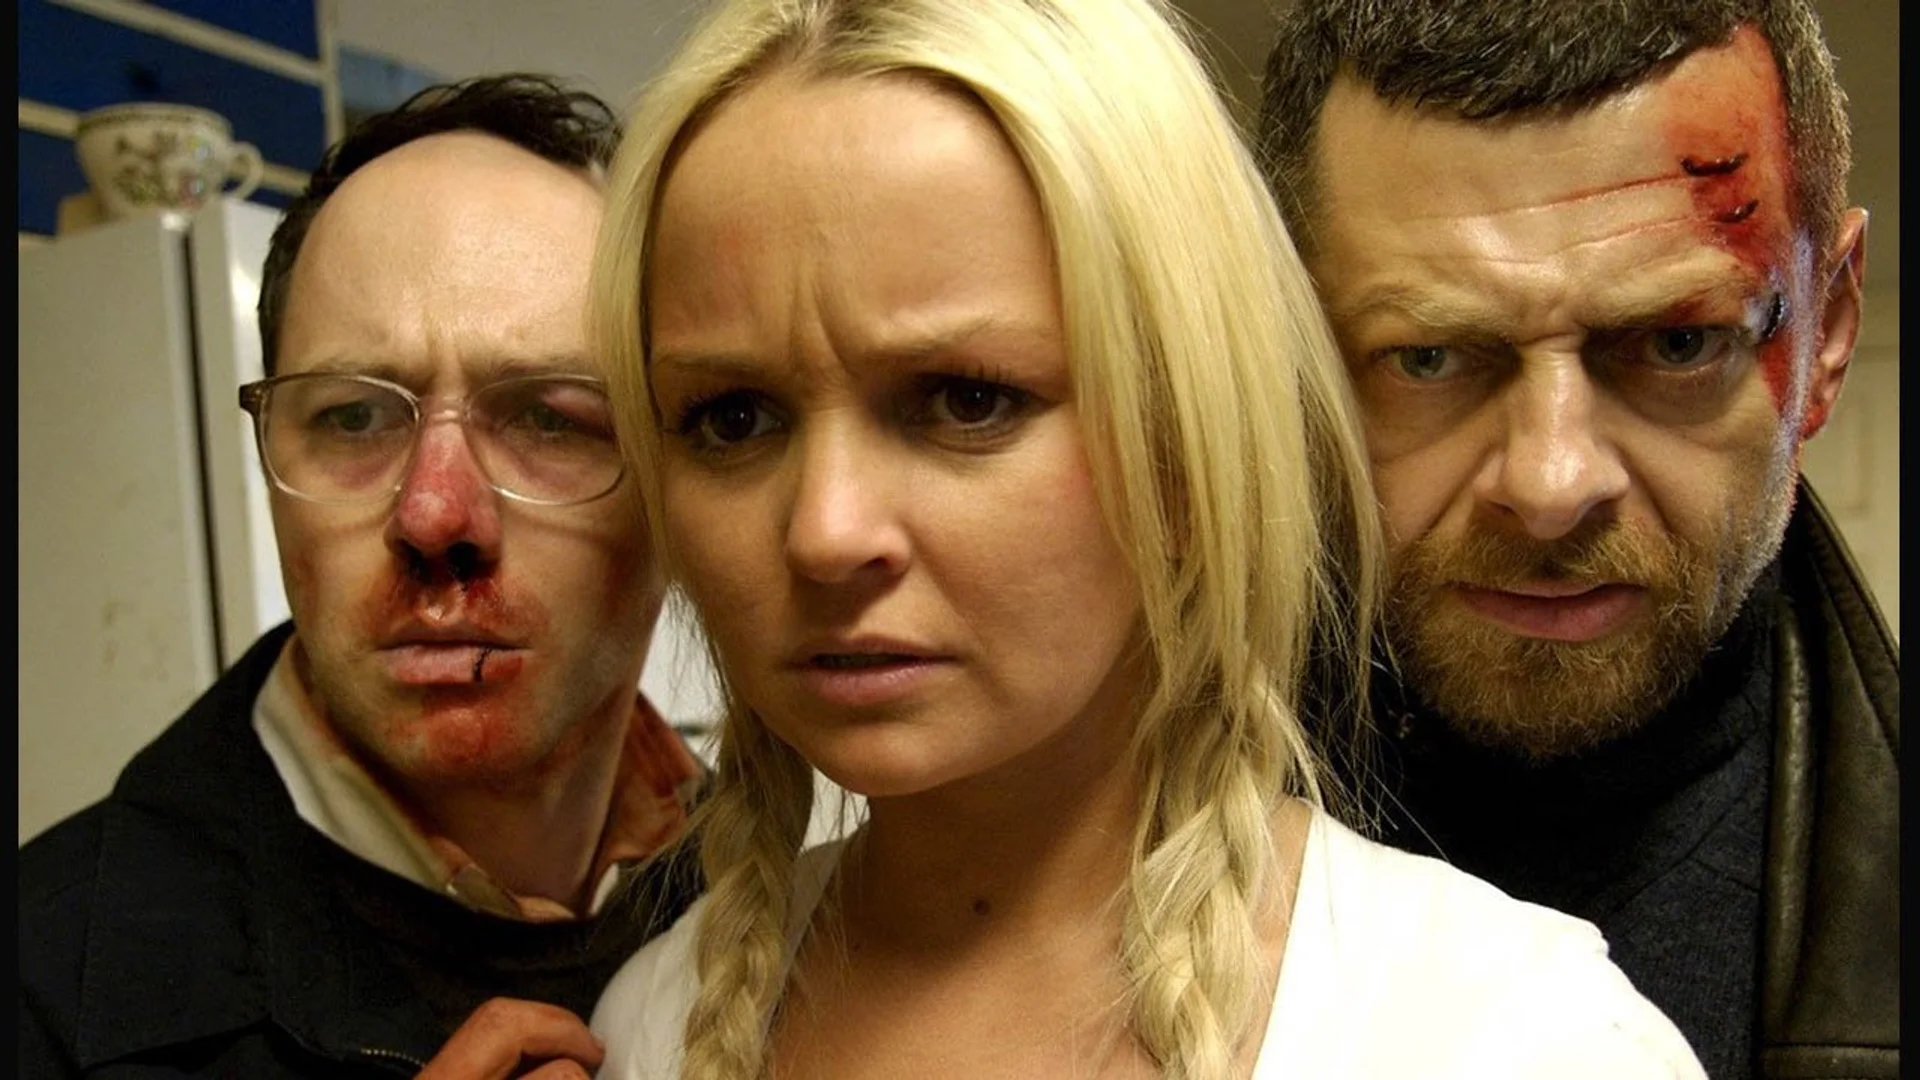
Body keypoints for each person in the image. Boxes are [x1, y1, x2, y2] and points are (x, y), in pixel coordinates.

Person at [583, 1, 1707, 1077]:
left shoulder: (1512, 1039)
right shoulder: (649, 1025)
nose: (826, 532)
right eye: (732, 419)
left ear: (1186, 440)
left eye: (966, 400)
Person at [1256, 3, 1898, 1078]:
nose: (1551, 486)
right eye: (1427, 356)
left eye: (1677, 343)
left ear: (1827, 332)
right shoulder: (1034, 877)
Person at [19, 75, 703, 1078]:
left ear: (681, 487)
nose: (434, 514)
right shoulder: (41, 996)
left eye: (548, 417)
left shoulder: (812, 913)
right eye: (352, 417)